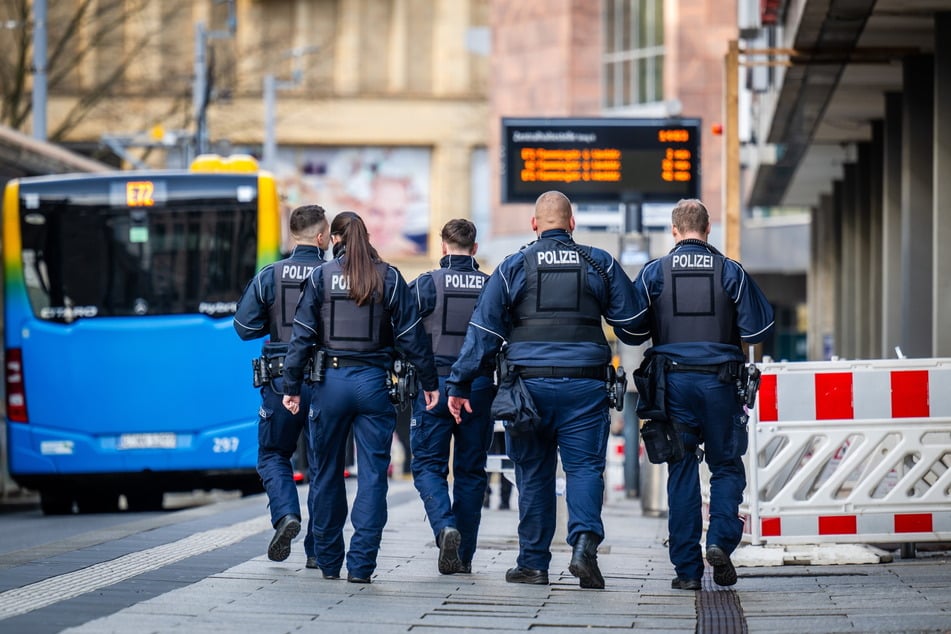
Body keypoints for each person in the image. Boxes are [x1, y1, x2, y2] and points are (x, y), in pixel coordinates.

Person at [446, 190, 640, 589]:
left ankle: (533, 564)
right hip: (586, 385)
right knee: (585, 468)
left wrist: (460, 381)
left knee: (533, 472)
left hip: (527, 389)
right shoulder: (598, 262)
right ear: (572, 223)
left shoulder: (514, 264)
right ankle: (584, 544)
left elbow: (483, 331)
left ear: (534, 224)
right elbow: (634, 323)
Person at [614, 198, 774, 591]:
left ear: (673, 230)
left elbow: (631, 329)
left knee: (681, 470)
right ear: (708, 229)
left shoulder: (654, 273)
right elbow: (758, 331)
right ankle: (719, 538)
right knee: (726, 466)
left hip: (672, 387)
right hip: (720, 384)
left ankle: (687, 571)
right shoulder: (729, 271)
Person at [281, 211, 439, 584]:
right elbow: (413, 338)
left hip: (330, 384)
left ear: (334, 238)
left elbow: (301, 336)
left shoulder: (321, 276)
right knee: (372, 478)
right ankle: (362, 566)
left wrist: (290, 386)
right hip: (374, 385)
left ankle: (329, 561)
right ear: (366, 237)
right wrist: (430, 382)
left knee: (326, 474)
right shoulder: (390, 277)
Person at [233, 204, 330, 565]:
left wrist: (276, 325)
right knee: (322, 464)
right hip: (325, 380)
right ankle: (318, 552)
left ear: (292, 235)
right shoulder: (333, 273)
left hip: (278, 379)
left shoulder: (270, 275)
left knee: (273, 453)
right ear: (322, 237)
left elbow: (243, 328)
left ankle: (286, 514)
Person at [408, 219, 493, 575]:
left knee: (429, 466)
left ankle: (445, 527)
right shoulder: (490, 286)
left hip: (435, 386)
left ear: (443, 247)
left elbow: (405, 332)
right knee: (471, 472)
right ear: (474, 248)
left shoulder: (426, 284)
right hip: (479, 387)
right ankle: (464, 557)